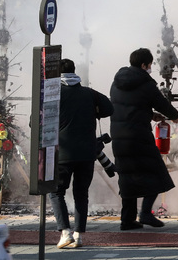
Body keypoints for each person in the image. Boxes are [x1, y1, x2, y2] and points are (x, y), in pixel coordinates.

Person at [110, 48, 178, 230]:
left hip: (119, 137)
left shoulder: (116, 83)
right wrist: (174, 115)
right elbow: (161, 103)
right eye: (149, 65)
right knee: (157, 173)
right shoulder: (145, 83)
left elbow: (129, 106)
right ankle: (146, 213)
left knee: (128, 177)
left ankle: (127, 220)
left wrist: (149, 114)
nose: (150, 68)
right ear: (144, 65)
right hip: (138, 137)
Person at [50, 58, 114, 248]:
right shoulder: (89, 93)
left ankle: (65, 232)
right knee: (81, 194)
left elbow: (35, 121)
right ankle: (78, 235)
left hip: (62, 153)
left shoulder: (53, 95)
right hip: (87, 153)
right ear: (74, 72)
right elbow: (109, 108)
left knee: (56, 192)